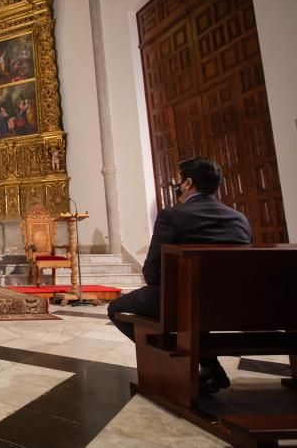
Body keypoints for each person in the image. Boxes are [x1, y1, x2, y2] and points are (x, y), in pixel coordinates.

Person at [107, 157, 251, 396]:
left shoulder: (173, 216)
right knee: (196, 308)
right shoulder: (240, 219)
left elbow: (152, 274)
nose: (177, 185)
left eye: (179, 180)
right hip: (231, 306)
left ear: (188, 184)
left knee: (116, 309)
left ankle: (179, 363)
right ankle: (211, 367)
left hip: (183, 301)